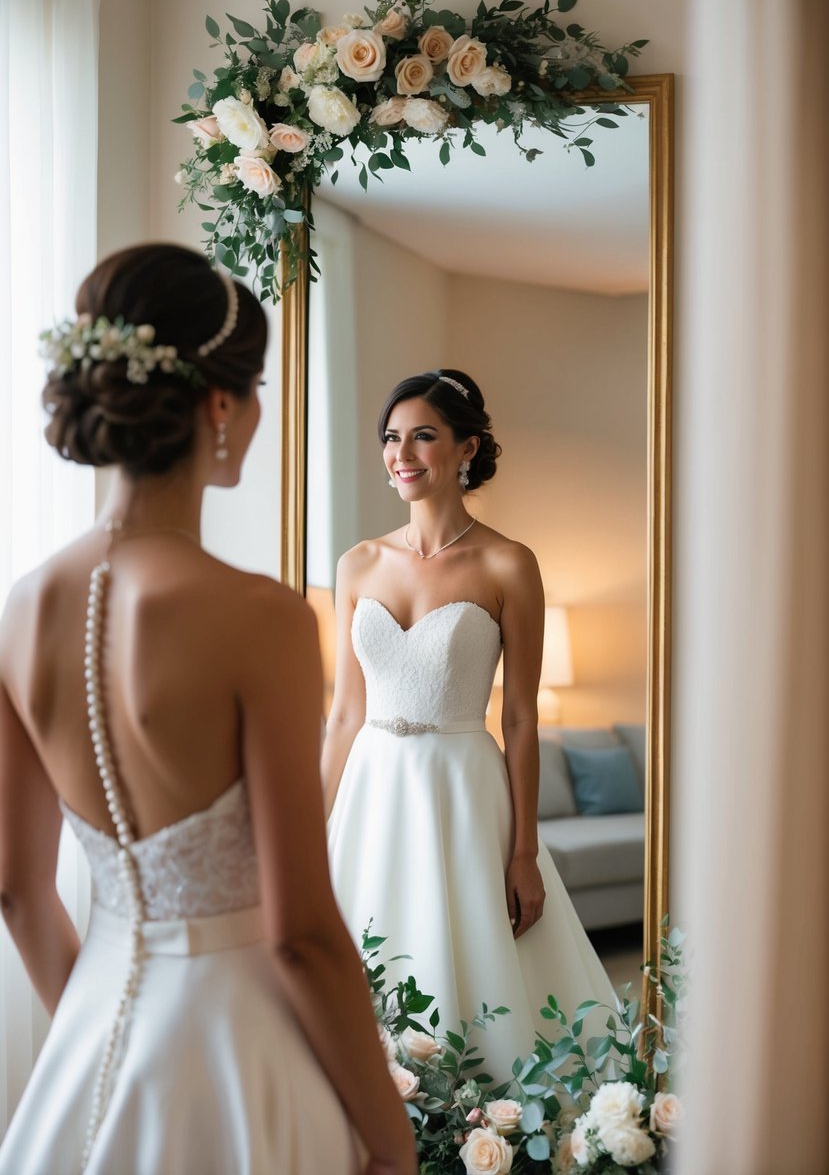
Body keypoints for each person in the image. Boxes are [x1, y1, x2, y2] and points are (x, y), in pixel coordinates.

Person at [0, 244, 417, 1175]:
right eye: (256, 385)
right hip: (238, 1051)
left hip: (91, 1032)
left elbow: (20, 891)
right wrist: (393, 1145)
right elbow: (302, 934)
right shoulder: (260, 616)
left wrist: (107, 1034)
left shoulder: (22, 606)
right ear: (219, 404)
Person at [323, 368, 616, 1083]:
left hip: (460, 786)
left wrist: (523, 852)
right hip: (370, 787)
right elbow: (342, 713)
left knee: (470, 967)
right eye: (391, 438)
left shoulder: (508, 564)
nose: (402, 453)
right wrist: (309, 826)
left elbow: (519, 717)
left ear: (466, 449)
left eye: (423, 435)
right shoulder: (358, 563)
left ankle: (482, 1125)